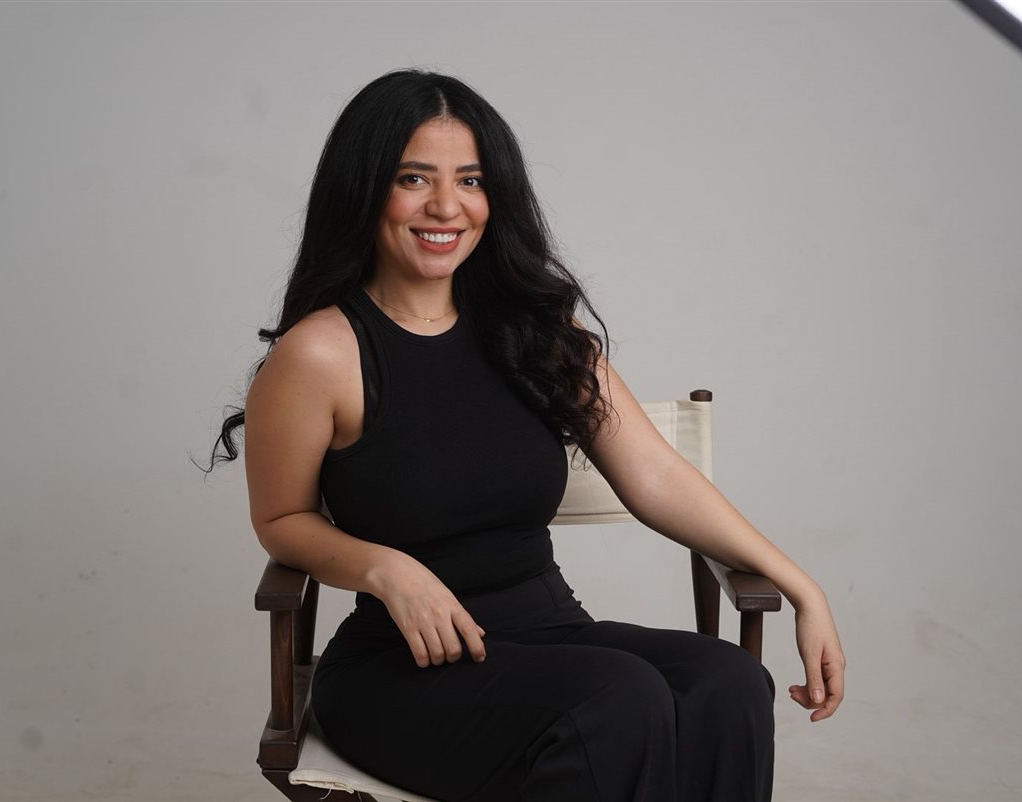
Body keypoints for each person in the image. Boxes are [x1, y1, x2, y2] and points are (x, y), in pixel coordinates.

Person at [206, 69, 845, 802]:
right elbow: (282, 518)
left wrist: (803, 588)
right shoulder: (322, 354)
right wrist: (386, 569)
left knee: (727, 682)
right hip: (401, 666)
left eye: (471, 180)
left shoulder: (535, 333)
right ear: (364, 189)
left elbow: (657, 476)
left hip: (548, 632)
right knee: (618, 699)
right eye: (413, 178)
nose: (446, 205)